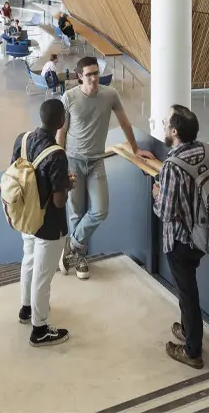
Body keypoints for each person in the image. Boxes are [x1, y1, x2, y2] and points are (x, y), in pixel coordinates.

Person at [58, 56, 156, 279]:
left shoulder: (110, 95)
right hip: (73, 161)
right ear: (80, 76)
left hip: (96, 162)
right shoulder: (69, 97)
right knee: (76, 212)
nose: (94, 78)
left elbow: (124, 122)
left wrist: (135, 148)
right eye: (89, 74)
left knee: (100, 210)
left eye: (96, 73)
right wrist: (59, 160)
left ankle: (71, 246)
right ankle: (81, 258)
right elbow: (61, 132)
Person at [154, 104, 209, 370]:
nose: (163, 126)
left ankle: (192, 349)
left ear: (174, 131)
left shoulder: (172, 166)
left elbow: (165, 211)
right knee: (188, 287)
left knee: (187, 293)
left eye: (165, 123)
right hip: (206, 234)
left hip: (180, 240)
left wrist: (156, 195)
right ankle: (187, 328)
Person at [14, 99, 73, 347]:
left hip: (27, 217)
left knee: (28, 261)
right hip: (49, 224)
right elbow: (59, 202)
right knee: (43, 276)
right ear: (61, 122)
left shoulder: (23, 139)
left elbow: (16, 171)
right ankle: (39, 329)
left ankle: (26, 308)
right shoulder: (57, 155)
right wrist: (68, 184)